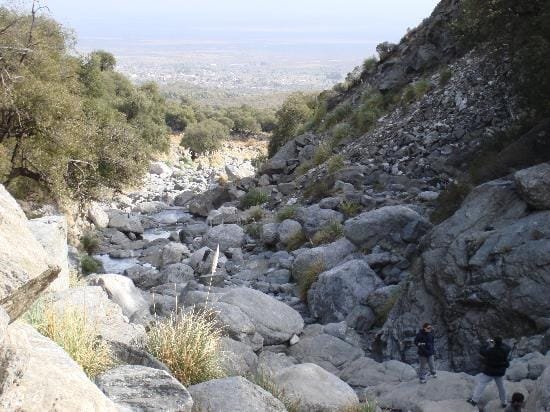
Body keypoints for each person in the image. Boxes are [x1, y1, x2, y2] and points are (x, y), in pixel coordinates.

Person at [467, 337, 511, 408]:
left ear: (494, 343)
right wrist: (500, 342)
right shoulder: (505, 350)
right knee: (501, 388)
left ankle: (474, 401)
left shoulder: (490, 351)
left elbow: (481, 351)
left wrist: (487, 343)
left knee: (481, 384)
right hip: (499, 372)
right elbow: (508, 347)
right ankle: (504, 402)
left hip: (489, 372)